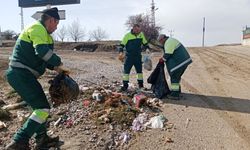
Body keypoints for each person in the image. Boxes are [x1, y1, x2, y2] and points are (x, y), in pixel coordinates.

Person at [5, 7, 69, 150]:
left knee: (38, 108)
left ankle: (42, 138)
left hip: (22, 74)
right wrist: (58, 62)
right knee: (43, 108)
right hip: (20, 73)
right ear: (51, 20)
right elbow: (41, 51)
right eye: (56, 24)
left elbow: (44, 59)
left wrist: (56, 68)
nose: (56, 27)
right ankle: (19, 140)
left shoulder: (45, 35)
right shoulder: (37, 27)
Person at [157, 34, 192, 100]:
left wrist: (162, 59)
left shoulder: (168, 42)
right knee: (177, 76)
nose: (160, 43)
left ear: (163, 39)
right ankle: (177, 91)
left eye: (160, 41)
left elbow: (168, 53)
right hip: (183, 61)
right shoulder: (170, 40)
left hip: (179, 62)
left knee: (174, 76)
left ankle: (175, 95)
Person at [118, 24, 149, 91]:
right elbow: (121, 45)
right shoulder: (127, 36)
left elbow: (145, 43)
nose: (138, 31)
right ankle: (125, 86)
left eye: (139, 30)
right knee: (126, 72)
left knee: (139, 72)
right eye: (137, 30)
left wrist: (147, 48)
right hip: (129, 57)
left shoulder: (141, 34)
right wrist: (120, 52)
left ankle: (141, 85)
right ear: (133, 29)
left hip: (138, 56)